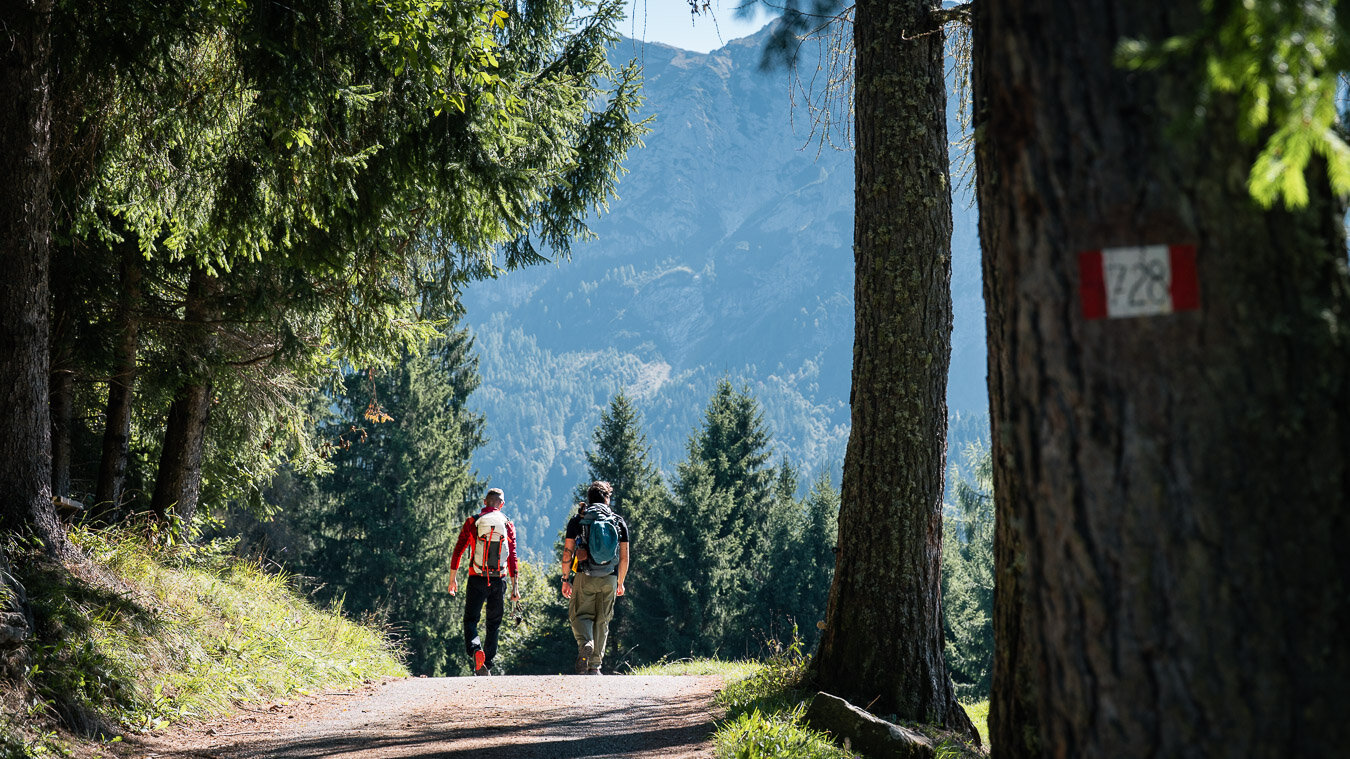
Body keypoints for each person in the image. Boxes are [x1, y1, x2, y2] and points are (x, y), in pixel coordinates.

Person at [560, 480, 629, 675]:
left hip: (585, 576)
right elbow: (624, 557)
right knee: (602, 620)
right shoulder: (618, 521)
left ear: (589, 499)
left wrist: (565, 579)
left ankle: (586, 643)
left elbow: (567, 553)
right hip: (609, 577)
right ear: (607, 499)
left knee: (579, 615)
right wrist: (620, 582)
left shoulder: (578, 520)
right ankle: (595, 666)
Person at [448, 487, 520, 676]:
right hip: (499, 579)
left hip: (477, 578)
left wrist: (452, 579)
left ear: (484, 502)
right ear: (501, 505)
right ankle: (486, 663)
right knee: (493, 624)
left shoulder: (473, 521)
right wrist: (515, 587)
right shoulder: (508, 523)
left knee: (470, 620)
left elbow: (458, 550)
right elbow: (512, 557)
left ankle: (475, 650)